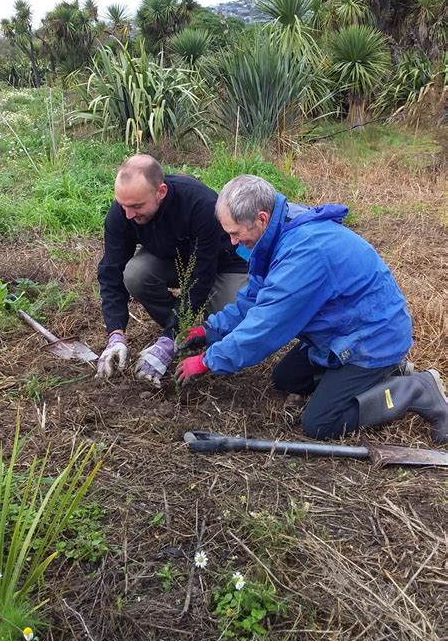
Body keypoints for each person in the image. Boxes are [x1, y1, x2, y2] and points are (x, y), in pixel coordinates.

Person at [176, 175, 447, 444]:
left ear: (261, 218)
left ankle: (416, 389)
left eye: (235, 234)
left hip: (372, 338)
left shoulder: (304, 253)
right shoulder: (277, 232)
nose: (233, 242)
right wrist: (211, 330)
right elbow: (254, 298)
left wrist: (207, 361)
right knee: (286, 379)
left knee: (320, 422)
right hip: (341, 332)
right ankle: (383, 375)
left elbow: (266, 327)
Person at [96, 155, 248, 385]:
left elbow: (201, 275)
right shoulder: (123, 213)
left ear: (161, 192)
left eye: (137, 206)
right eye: (123, 205)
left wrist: (169, 337)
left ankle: (187, 336)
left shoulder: (200, 204)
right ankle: (179, 337)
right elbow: (111, 272)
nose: (128, 214)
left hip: (222, 265)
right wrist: (115, 333)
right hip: (175, 260)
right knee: (136, 274)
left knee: (230, 319)